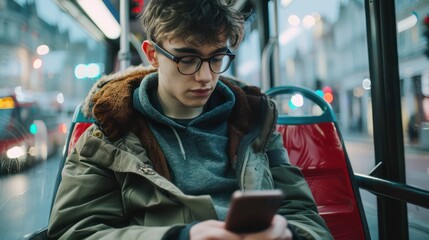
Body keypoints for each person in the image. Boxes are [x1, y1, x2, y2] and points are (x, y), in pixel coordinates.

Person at [47, 0, 333, 239]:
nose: (205, 77)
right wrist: (180, 237)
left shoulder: (255, 121)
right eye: (187, 59)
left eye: (217, 58)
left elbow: (305, 216)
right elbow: (74, 231)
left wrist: (291, 234)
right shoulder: (111, 133)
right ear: (152, 55)